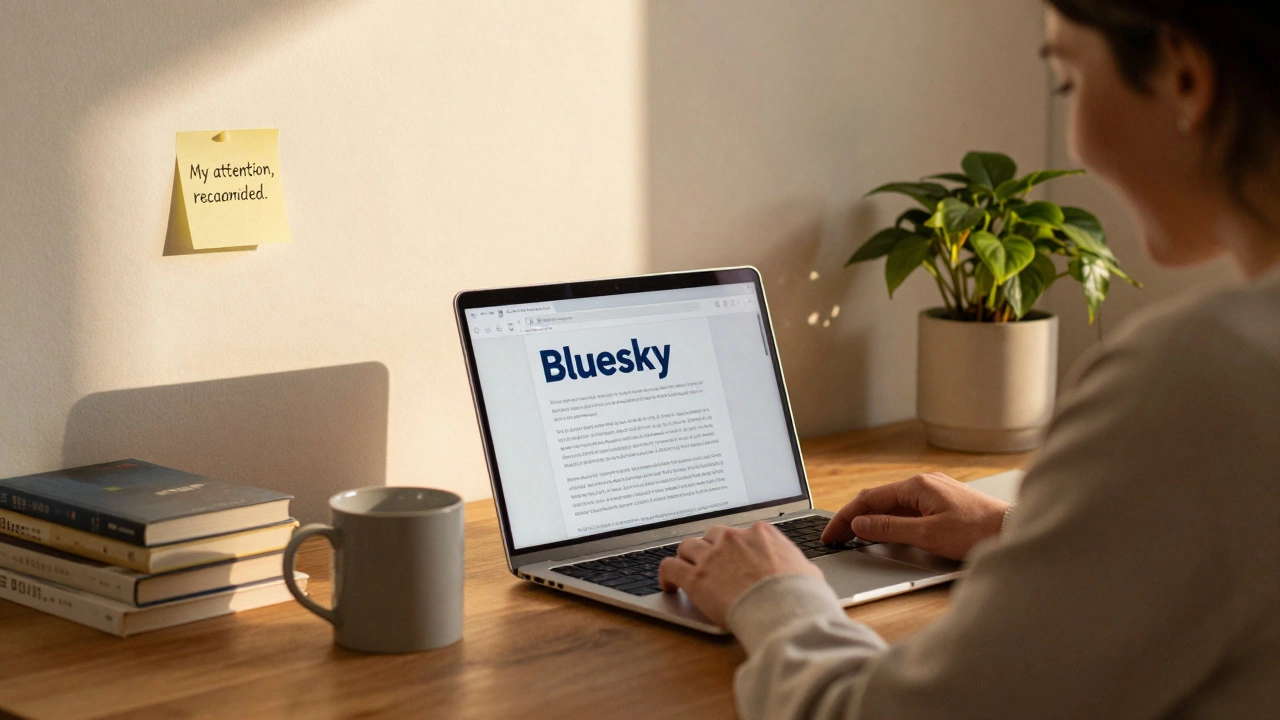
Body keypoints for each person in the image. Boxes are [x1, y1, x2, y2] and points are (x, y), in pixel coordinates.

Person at [656, 1, 1280, 717]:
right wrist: (1029, 536)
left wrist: (771, 595)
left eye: (1068, 81)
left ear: (1186, 77)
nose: (1074, 145)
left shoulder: (1196, 379)